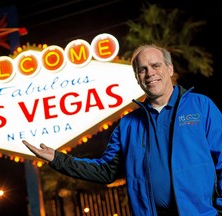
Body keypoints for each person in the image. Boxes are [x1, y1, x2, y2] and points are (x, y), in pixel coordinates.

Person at [22, 44, 222, 216]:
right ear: (137, 78)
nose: (150, 73)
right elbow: (106, 171)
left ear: (169, 69)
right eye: (142, 69)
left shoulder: (200, 106)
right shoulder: (128, 125)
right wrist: (58, 159)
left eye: (155, 65)